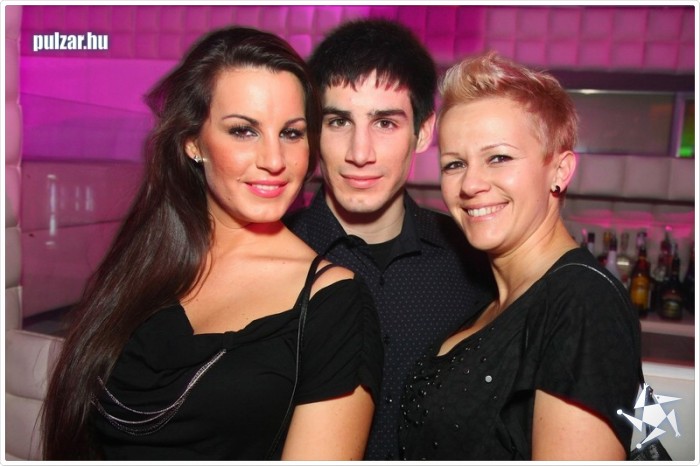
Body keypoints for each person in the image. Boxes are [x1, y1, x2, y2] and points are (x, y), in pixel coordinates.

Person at [41, 26, 383, 461]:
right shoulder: (144, 262)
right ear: (192, 142)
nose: (274, 160)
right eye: (244, 131)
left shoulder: (333, 302)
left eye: (291, 133)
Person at [398, 51, 642, 460]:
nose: (471, 184)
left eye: (499, 157)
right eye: (454, 164)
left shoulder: (581, 303)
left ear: (559, 171)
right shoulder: (492, 301)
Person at [283, 19, 494, 460]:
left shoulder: (474, 262)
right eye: (338, 121)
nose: (360, 153)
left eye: (384, 123)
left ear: (423, 132)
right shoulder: (272, 254)